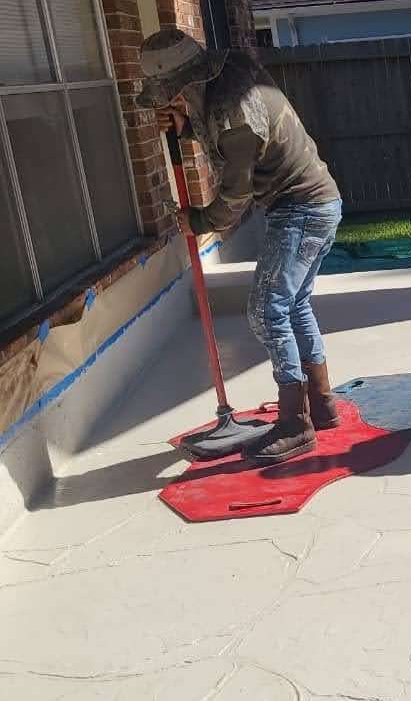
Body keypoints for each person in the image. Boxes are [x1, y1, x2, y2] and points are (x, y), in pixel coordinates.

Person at [136, 28, 343, 464]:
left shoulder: (233, 112)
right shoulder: (229, 74)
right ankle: (321, 405)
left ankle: (296, 425)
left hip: (300, 209)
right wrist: (186, 126)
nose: (170, 102)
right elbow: (228, 133)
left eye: (170, 94)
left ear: (184, 83)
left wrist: (199, 221)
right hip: (317, 202)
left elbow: (235, 193)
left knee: (267, 312)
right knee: (294, 305)